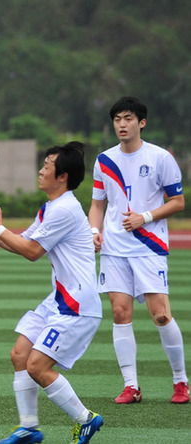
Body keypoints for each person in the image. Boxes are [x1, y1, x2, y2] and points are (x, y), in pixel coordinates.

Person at [0, 142, 104, 444]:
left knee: (37, 366)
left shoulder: (65, 209)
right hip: (59, 300)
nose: (40, 171)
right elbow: (23, 241)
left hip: (76, 305)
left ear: (62, 176)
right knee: (20, 354)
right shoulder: (51, 207)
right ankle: (29, 427)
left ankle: (86, 419)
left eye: (47, 165)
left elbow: (30, 252)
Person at [88, 96, 189, 404]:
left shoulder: (161, 158)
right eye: (117, 119)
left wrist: (144, 218)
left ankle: (181, 382)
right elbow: (97, 204)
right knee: (120, 313)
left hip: (149, 247)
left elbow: (178, 202)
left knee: (160, 315)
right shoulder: (104, 160)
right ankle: (131, 386)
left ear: (141, 123)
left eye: (128, 118)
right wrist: (95, 230)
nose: (122, 124)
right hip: (115, 249)